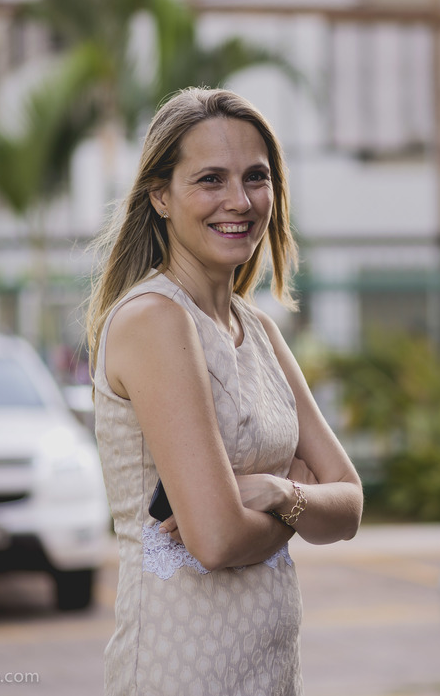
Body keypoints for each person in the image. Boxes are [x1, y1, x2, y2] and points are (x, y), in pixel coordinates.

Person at [84, 87, 363, 695]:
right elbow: (215, 539)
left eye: (255, 177)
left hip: (269, 671)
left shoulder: (257, 328)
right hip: (183, 673)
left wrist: (275, 490)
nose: (240, 200)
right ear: (160, 195)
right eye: (211, 179)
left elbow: (349, 504)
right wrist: (297, 507)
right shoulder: (155, 320)